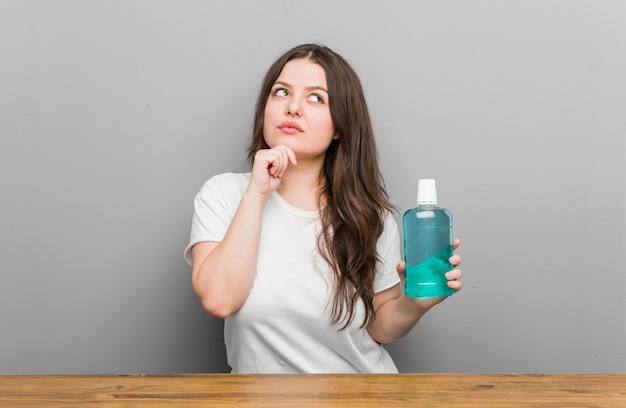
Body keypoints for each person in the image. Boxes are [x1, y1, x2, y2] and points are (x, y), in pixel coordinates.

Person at [184, 43, 462, 373]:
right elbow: (220, 299)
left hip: (362, 402)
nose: (293, 108)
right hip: (260, 404)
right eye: (281, 92)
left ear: (340, 127)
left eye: (316, 97)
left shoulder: (371, 216)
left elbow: (377, 328)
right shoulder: (223, 195)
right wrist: (256, 194)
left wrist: (414, 304)